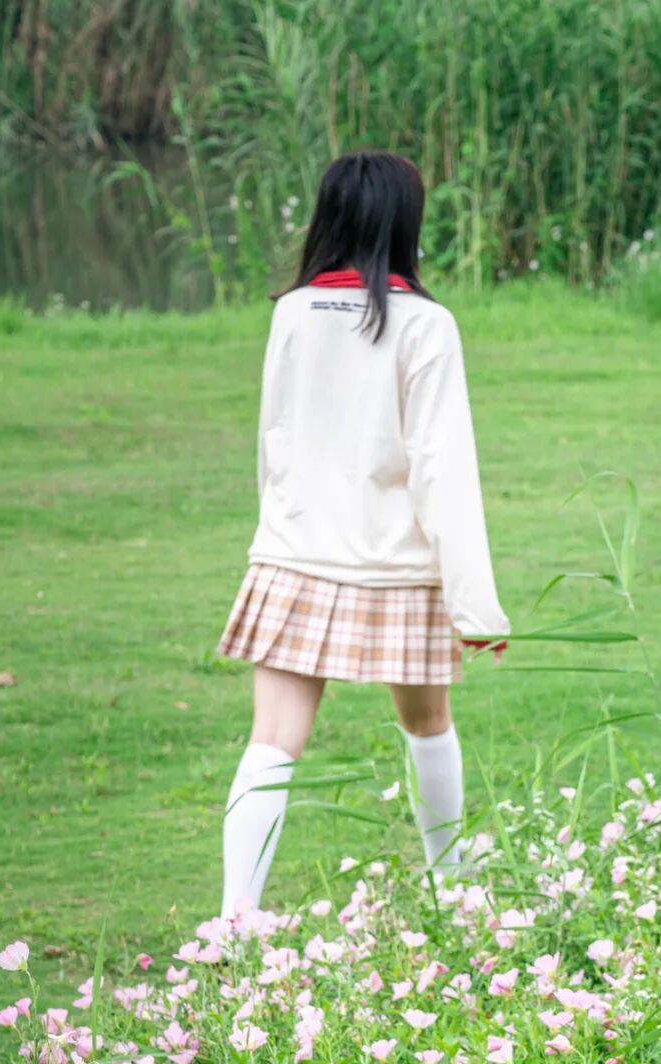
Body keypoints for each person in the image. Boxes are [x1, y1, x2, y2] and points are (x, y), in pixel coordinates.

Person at [215, 149, 510, 921]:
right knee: (428, 725)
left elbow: (274, 442)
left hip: (296, 558)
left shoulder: (291, 313)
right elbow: (444, 471)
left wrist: (279, 533)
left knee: (272, 739)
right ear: (404, 223)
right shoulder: (428, 326)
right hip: (396, 569)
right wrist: (477, 608)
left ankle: (235, 920)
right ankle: (450, 883)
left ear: (331, 217)